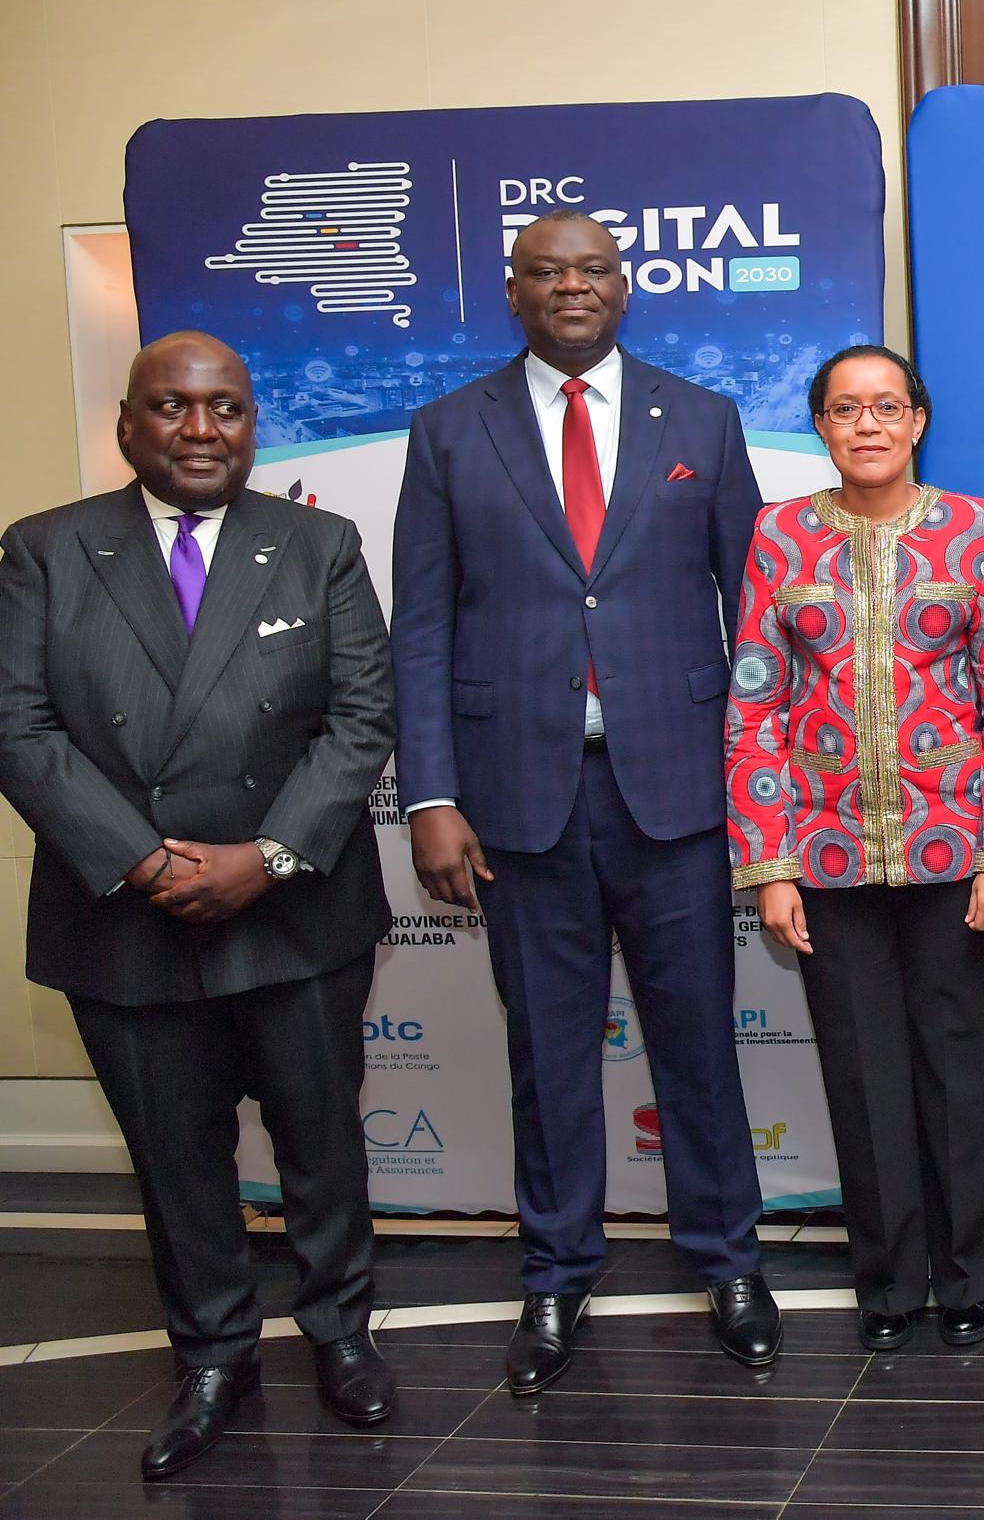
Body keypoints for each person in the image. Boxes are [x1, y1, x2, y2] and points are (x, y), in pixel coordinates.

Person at [390, 210, 779, 1392]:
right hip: (517, 800)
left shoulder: (700, 419)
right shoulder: (449, 428)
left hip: (678, 794)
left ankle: (728, 1262)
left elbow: (755, 617)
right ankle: (557, 1274)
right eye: (547, 271)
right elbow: (422, 627)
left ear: (625, 286)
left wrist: (761, 793)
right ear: (511, 291)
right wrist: (430, 793)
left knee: (698, 1044)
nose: (572, 286)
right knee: (549, 1054)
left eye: (594, 268)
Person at [0, 334, 397, 1478]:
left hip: (294, 910)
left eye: (224, 406)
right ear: (129, 424)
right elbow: (18, 725)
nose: (200, 427)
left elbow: (361, 717)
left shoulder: (319, 543)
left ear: (253, 423)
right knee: (176, 1162)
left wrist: (263, 857)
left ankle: (342, 1334)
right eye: (171, 406)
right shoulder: (46, 548)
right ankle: (214, 1355)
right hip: (124, 916)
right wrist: (145, 862)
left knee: (322, 1145)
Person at [729, 344, 984, 1353]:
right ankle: (890, 1281)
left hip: (955, 849)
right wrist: (770, 865)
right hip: (825, 855)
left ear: (917, 420)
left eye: (887, 406)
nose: (867, 424)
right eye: (846, 408)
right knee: (863, 1078)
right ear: (821, 424)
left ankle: (971, 1274)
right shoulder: (779, 536)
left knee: (958, 1069)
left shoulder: (973, 527)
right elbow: (755, 710)